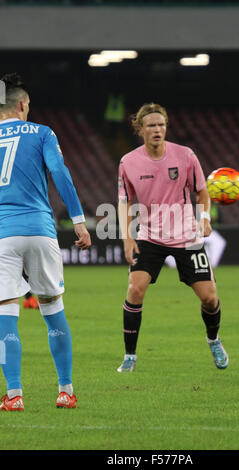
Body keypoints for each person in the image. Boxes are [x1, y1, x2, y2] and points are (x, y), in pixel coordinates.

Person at [0, 73, 91, 411]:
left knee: (5, 317)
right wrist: (79, 221)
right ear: (23, 105)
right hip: (40, 230)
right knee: (53, 311)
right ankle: (65, 391)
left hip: (2, 236)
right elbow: (61, 173)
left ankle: (14, 395)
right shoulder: (42, 133)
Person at [117, 103, 228, 373]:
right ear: (140, 129)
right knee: (135, 290)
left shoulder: (185, 156)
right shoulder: (128, 162)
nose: (157, 130)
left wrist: (204, 218)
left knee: (210, 298)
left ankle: (213, 339)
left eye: (161, 125)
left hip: (186, 235)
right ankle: (130, 356)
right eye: (152, 125)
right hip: (150, 236)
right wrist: (127, 237)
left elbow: (202, 193)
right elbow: (124, 201)